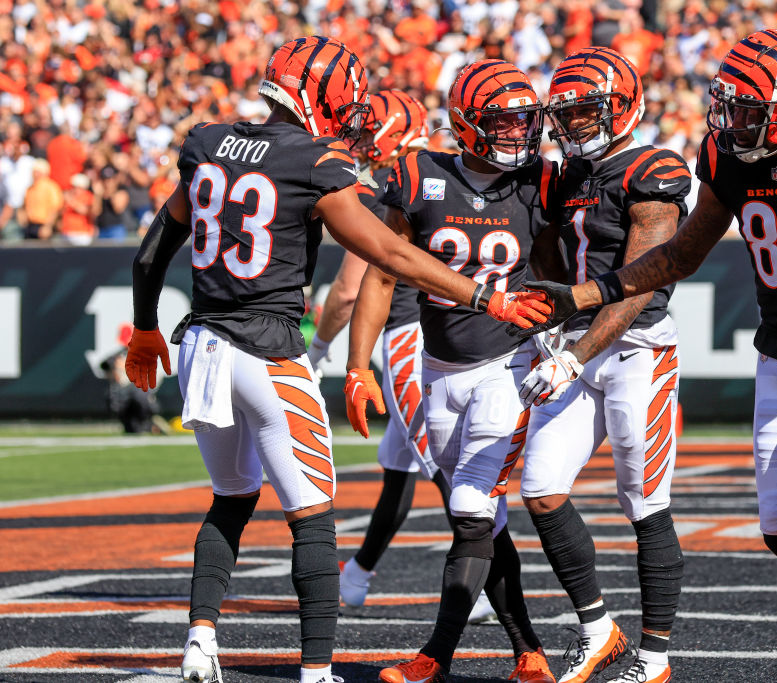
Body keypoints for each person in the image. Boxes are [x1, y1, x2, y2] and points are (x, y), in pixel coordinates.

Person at [123, 37, 551, 683]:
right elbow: (390, 255)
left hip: (201, 346)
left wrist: (147, 328)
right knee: (313, 517)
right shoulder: (314, 159)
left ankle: (200, 639)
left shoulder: (206, 139)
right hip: (268, 351)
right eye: (343, 101)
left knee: (230, 500)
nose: (349, 115)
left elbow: (154, 248)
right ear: (316, 95)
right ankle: (318, 669)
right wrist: (484, 294)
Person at [526, 30, 777, 683]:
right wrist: (586, 294)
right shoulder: (730, 158)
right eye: (728, 107)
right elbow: (678, 256)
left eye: (748, 110)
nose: (732, 122)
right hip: (776, 348)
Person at [346, 60, 563, 683]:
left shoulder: (539, 183)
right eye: (503, 122)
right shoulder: (419, 174)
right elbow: (382, 275)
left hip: (507, 363)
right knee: (482, 522)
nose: (519, 134)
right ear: (466, 124)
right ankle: (528, 650)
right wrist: (359, 366)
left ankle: (433, 656)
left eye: (526, 121)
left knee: (470, 511)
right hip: (436, 369)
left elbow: (558, 267)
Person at [516, 46, 690, 683]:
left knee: (644, 500)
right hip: (580, 346)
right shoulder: (566, 175)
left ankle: (657, 657)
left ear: (623, 104)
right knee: (540, 487)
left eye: (589, 110)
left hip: (637, 347)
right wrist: (553, 324)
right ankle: (599, 631)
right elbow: (556, 265)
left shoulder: (654, 168)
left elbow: (641, 281)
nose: (578, 124)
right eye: (568, 113)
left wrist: (577, 351)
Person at [308, 89, 493, 622]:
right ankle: (359, 574)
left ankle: (478, 584)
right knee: (400, 468)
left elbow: (348, 290)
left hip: (412, 338)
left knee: (447, 471)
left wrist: (320, 349)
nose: (361, 142)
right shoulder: (452, 170)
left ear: (391, 135)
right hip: (457, 329)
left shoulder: (391, 187)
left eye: (370, 133)